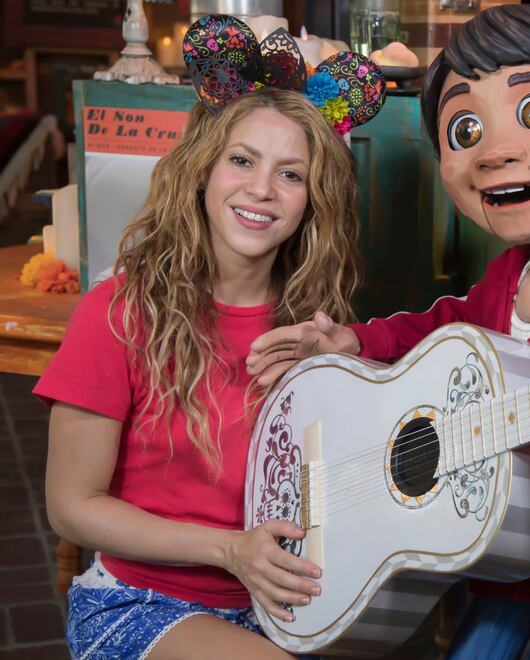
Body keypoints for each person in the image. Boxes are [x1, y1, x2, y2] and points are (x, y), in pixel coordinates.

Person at [247, 6, 530, 659]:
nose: (495, 152)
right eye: (467, 128)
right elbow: (447, 326)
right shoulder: (509, 275)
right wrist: (357, 343)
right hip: (499, 548)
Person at [33, 85, 362, 659]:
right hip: (144, 602)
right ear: (201, 171)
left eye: (291, 175)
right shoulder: (119, 312)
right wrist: (230, 550)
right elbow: (70, 505)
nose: (261, 189)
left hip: (287, 604)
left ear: (314, 200)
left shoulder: (313, 329)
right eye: (241, 160)